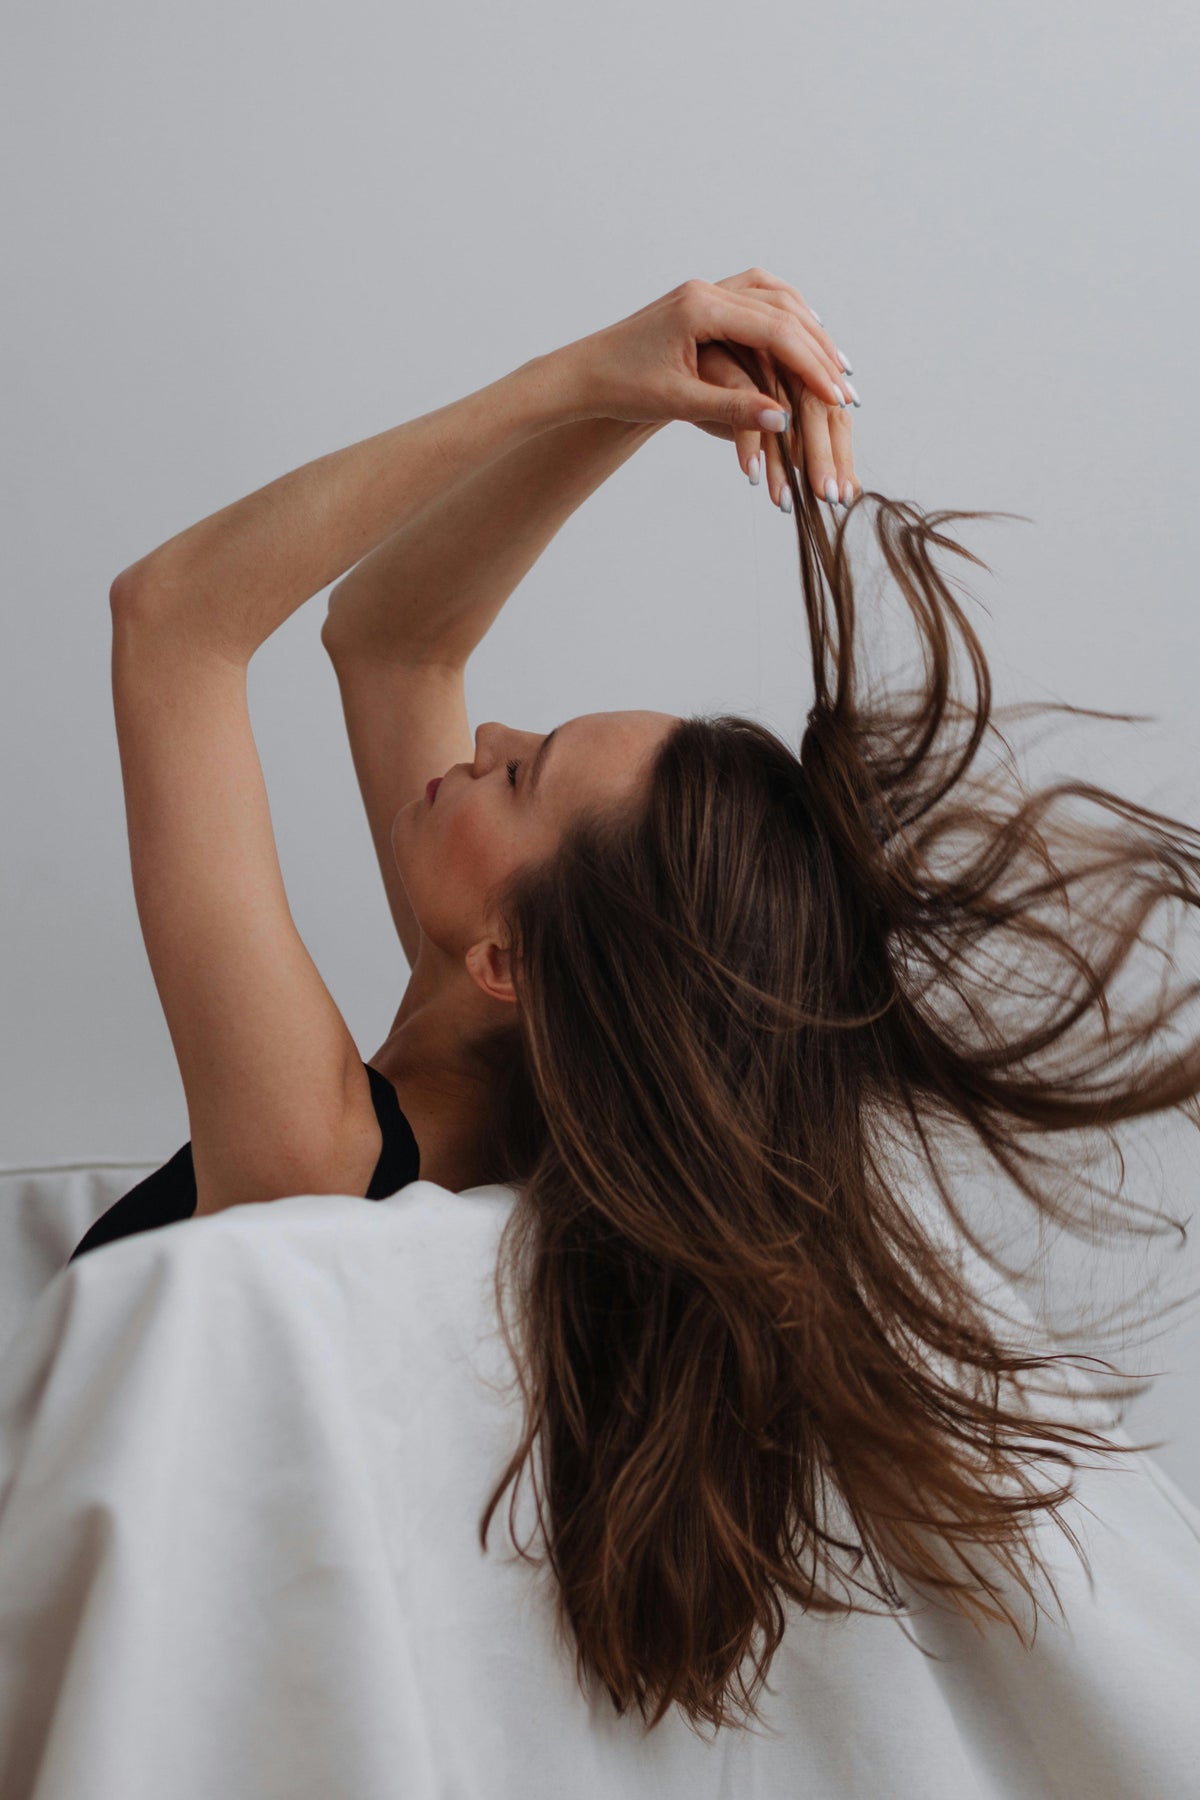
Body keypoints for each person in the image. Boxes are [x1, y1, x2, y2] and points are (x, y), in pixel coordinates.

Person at [71, 267, 1200, 1732]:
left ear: (511, 961)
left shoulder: (312, 1153)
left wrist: (578, 377)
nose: (486, 729)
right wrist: (639, 394)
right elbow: (396, 639)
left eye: (521, 776)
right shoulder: (484, 1052)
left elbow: (172, 620)